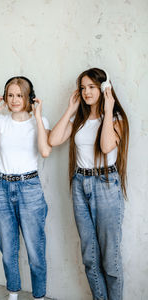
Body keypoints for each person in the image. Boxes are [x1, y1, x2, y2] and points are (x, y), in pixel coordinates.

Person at [0, 76, 52, 300]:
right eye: (10, 95)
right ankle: (13, 293)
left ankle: (39, 296)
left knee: (35, 251)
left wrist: (37, 117)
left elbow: (45, 151)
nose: (14, 99)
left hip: (30, 188)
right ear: (5, 97)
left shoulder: (40, 120)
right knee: (8, 249)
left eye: (20, 95)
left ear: (29, 97)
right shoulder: (1, 121)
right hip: (1, 188)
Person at [49, 68, 129, 300]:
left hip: (105, 184)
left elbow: (105, 147)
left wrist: (107, 107)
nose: (86, 92)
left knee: (110, 257)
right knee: (90, 256)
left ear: (105, 88)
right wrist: (70, 109)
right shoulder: (79, 120)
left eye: (92, 87)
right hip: (79, 184)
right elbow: (53, 140)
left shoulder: (116, 119)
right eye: (83, 88)